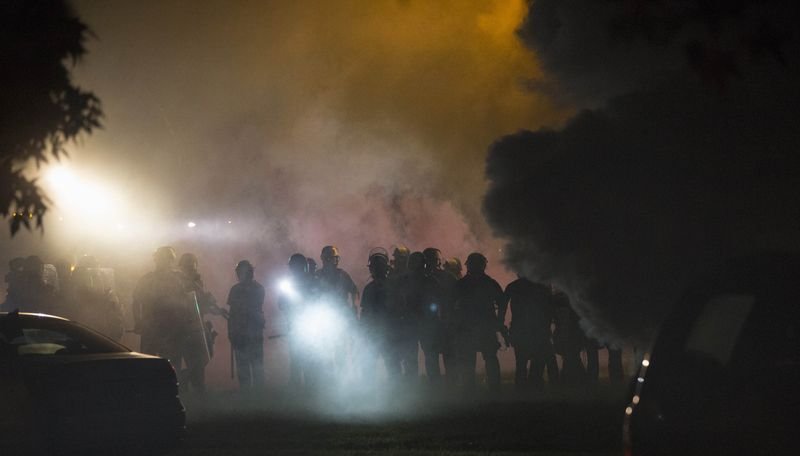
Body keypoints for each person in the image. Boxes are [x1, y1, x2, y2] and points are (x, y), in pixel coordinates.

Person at [454, 252, 506, 392]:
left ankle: (470, 390)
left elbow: (451, 304)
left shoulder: (462, 284)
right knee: (488, 358)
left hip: (472, 327)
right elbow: (502, 303)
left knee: (470, 360)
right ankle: (493, 388)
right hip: (482, 326)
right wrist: (499, 322)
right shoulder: (489, 283)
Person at [132, 247, 191, 366]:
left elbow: (190, 302)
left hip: (172, 328)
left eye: (167, 259)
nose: (165, 262)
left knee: (171, 365)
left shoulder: (179, 279)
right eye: (163, 259)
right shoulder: (148, 279)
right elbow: (136, 302)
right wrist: (138, 321)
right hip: (153, 328)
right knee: (150, 364)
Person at [503, 275, 559, 390]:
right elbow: (550, 309)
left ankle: (522, 390)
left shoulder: (513, 286)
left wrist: (502, 328)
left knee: (521, 363)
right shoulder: (542, 286)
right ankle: (538, 386)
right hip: (539, 331)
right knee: (540, 361)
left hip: (520, 331)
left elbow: (502, 306)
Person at [394, 251, 440, 385]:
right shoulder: (428, 280)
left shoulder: (405, 280)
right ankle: (427, 385)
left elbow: (437, 301)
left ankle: (423, 385)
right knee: (416, 356)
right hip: (414, 323)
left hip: (419, 323)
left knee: (425, 356)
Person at [176, 253, 217, 393]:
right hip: (185, 326)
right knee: (195, 358)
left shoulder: (197, 281)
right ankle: (188, 380)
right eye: (189, 264)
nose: (192, 267)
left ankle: (192, 381)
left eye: (193, 264)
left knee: (205, 356)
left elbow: (200, 303)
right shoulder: (178, 281)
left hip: (198, 324)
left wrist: (210, 304)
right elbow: (186, 302)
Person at [359, 249, 400, 385]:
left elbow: (365, 313)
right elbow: (365, 313)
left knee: (388, 365)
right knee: (389, 365)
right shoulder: (391, 286)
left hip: (384, 332)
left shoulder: (374, 288)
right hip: (380, 333)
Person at [317, 245, 358, 376]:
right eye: (329, 258)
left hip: (341, 318)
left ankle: (341, 378)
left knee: (340, 350)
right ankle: (329, 379)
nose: (332, 261)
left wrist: (353, 308)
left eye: (333, 259)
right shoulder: (317, 276)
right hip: (324, 319)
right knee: (325, 351)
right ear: (324, 259)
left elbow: (354, 291)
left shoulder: (343, 275)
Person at [278, 253, 318, 388]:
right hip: (294, 325)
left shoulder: (312, 281)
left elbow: (319, 300)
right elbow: (282, 304)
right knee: (296, 358)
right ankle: (297, 386)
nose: (295, 269)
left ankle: (309, 386)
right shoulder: (289, 284)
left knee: (309, 358)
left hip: (310, 326)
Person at [226, 260, 266, 391]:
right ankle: (248, 396)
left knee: (256, 365)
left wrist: (232, 330)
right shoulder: (237, 289)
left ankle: (257, 397)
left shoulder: (257, 288)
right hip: (241, 332)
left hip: (252, 332)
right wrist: (231, 331)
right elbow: (232, 313)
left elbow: (248, 309)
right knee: (245, 367)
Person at [423, 247, 459, 386]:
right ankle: (439, 386)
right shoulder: (423, 278)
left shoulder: (448, 277)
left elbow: (457, 298)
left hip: (445, 322)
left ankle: (448, 386)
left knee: (446, 356)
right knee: (433, 357)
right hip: (431, 324)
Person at [71, 255, 124, 342]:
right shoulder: (78, 284)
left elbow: (114, 308)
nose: (94, 269)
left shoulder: (105, 282)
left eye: (95, 265)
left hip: (103, 326)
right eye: (91, 265)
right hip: (86, 324)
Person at [552, 287, 587, 385]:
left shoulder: (556, 299)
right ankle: (577, 380)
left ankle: (568, 379)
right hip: (571, 333)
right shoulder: (572, 299)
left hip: (566, 333)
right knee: (573, 357)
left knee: (569, 357)